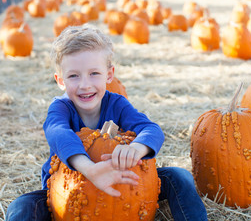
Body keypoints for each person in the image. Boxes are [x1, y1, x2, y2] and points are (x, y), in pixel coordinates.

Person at [6, 24, 207, 221]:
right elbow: (58, 134)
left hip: (124, 186)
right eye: (74, 76)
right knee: (22, 206)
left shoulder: (117, 104)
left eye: (94, 73)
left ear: (109, 75)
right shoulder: (60, 108)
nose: (85, 85)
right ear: (60, 81)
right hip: (69, 193)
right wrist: (89, 169)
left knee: (178, 177)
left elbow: (151, 129)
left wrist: (136, 148)